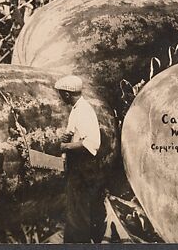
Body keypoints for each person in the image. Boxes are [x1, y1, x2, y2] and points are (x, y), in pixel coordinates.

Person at [55, 75, 106, 243]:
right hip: (79, 165)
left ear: (68, 94)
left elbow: (91, 142)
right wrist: (68, 136)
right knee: (78, 209)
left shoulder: (83, 110)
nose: (60, 97)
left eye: (61, 94)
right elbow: (76, 134)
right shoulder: (77, 109)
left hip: (84, 166)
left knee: (78, 211)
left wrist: (66, 147)